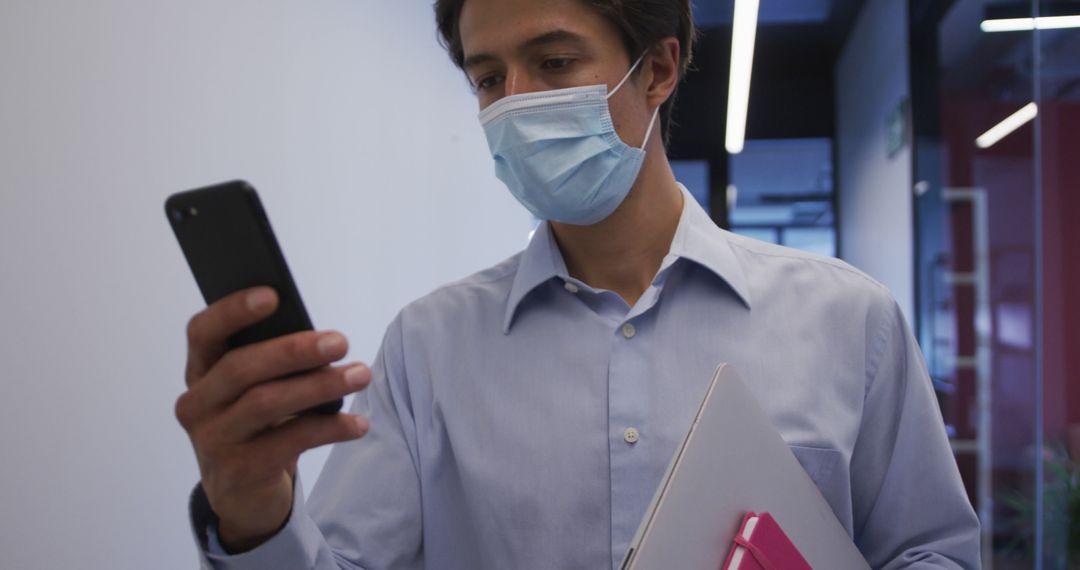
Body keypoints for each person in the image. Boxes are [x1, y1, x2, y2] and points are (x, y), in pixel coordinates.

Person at [177, 0, 982, 568]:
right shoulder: (427, 348)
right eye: (489, 79)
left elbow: (933, 553)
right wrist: (256, 517)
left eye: (554, 62)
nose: (517, 103)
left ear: (659, 68)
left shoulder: (848, 320)